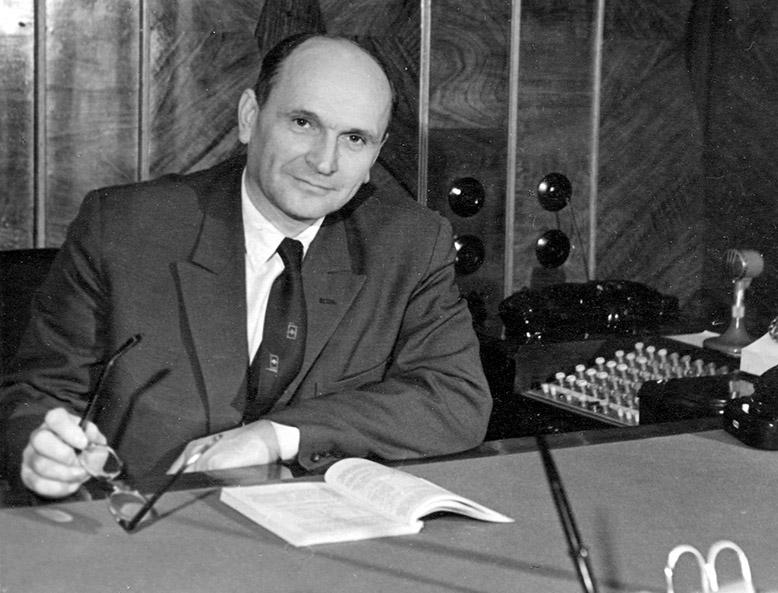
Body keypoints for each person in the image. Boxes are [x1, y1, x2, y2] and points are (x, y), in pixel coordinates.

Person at [0, 33, 491, 500]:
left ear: (376, 153)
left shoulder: (410, 243)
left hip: (321, 535)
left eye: (355, 138)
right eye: (303, 123)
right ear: (250, 117)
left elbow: (456, 398)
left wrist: (276, 436)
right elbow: (40, 394)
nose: (325, 162)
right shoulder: (125, 227)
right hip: (145, 527)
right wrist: (40, 449)